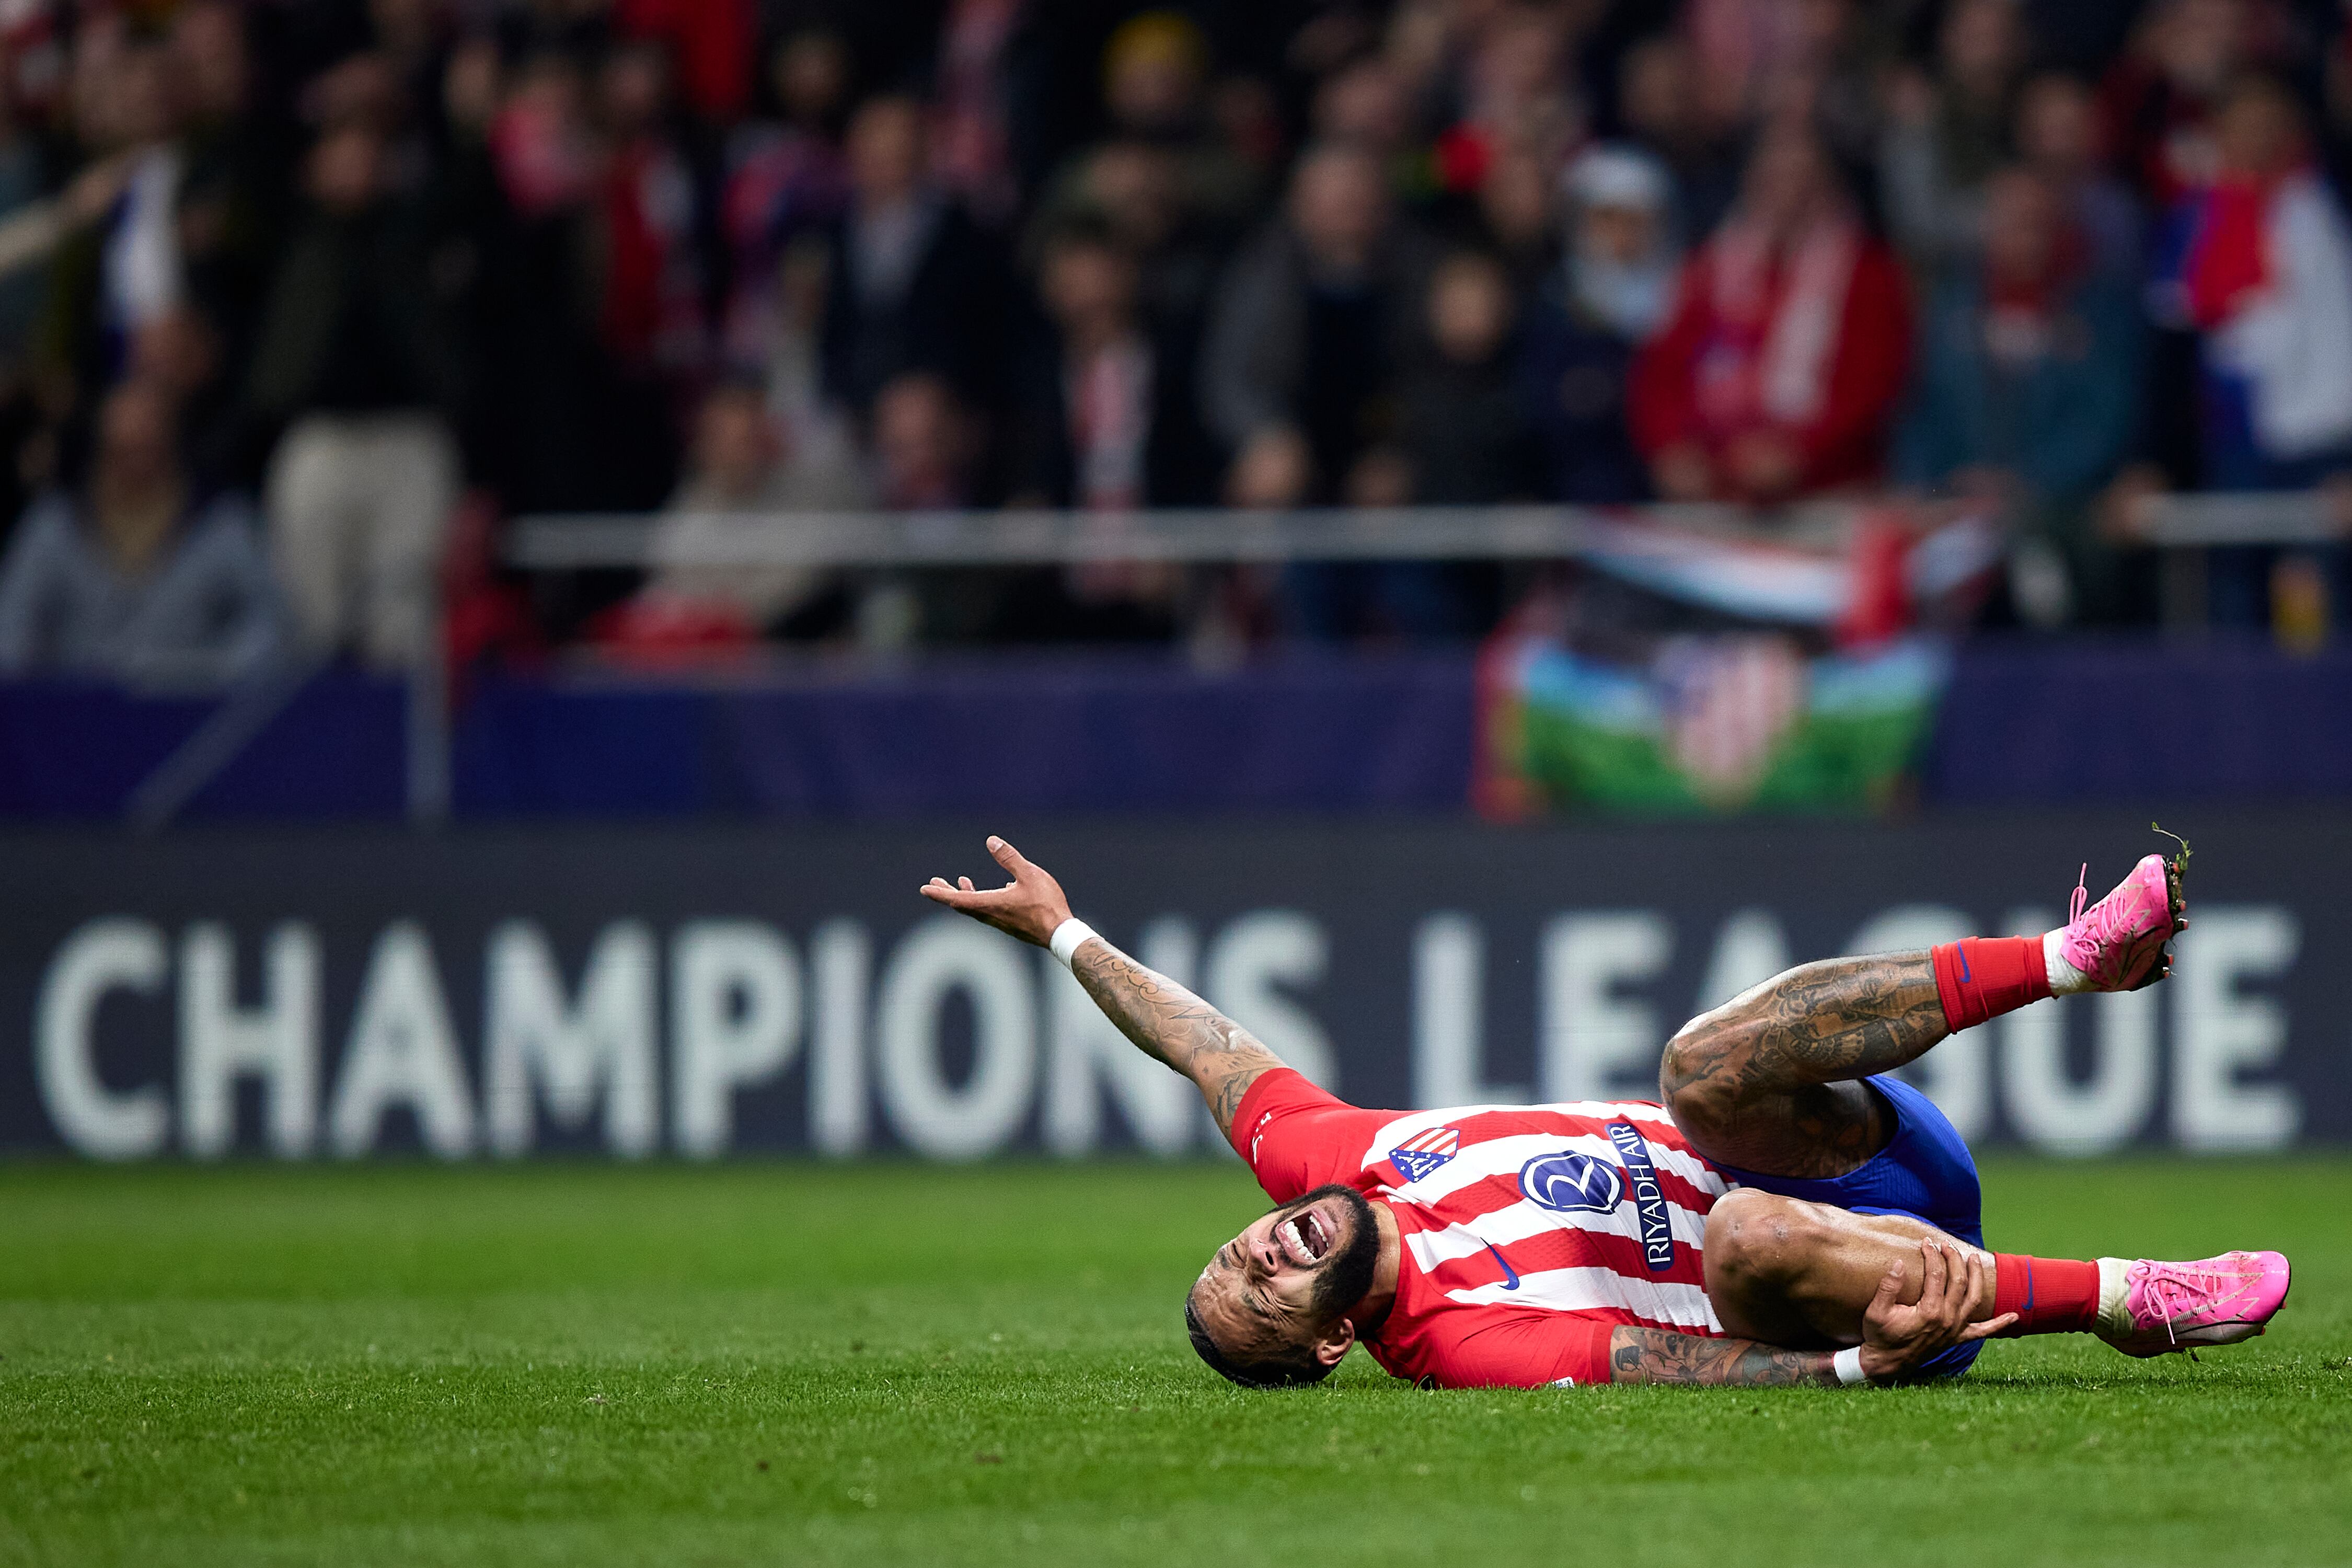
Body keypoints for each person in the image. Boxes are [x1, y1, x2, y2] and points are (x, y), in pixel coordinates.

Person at [921, 834, 2291, 1389]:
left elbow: (1209, 1051)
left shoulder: (1320, 1157)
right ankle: (2131, 1297)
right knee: (1742, 1237)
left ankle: (2071, 959)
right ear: (1335, 1341)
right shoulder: (1452, 1340)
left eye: (1238, 1254)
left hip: (1859, 1162)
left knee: (1695, 1071)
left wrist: (1063, 936)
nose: (1260, 1254)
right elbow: (1662, 1367)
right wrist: (1860, 1369)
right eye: (1268, 1298)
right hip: (1861, 1297)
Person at [1631, 120, 1912, 506]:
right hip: (1712, 498)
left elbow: (1870, 385)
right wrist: (1671, 448)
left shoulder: (1868, 274)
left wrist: (1799, 451)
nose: (1786, 194)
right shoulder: (1709, 269)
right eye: (1772, 178)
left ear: (1829, 185)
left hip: (1825, 496)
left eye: (1801, 179)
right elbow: (1661, 373)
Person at [0, 377, 281, 682]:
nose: (135, 465)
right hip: (73, 714)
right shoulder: (54, 525)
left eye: (147, 449)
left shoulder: (223, 523)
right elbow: (11, 631)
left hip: (187, 707)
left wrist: (209, 678)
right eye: (122, 451)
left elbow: (272, 625)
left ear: (174, 444)